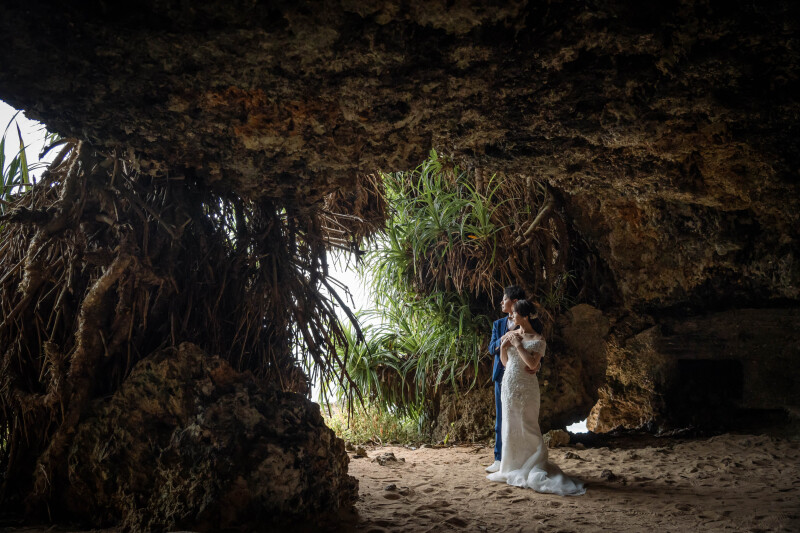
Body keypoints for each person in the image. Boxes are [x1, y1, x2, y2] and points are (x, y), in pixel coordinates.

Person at [486, 299, 585, 495]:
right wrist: (505, 348)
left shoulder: (538, 339)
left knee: (527, 425)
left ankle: (533, 462)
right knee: (510, 425)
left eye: (514, 314)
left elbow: (532, 365)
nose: (511, 317)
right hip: (508, 385)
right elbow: (505, 363)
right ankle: (511, 465)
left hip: (527, 387)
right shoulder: (511, 334)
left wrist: (518, 345)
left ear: (523, 316)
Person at [485, 285, 526, 473]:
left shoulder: (528, 321)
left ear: (515, 302)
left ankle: (520, 458)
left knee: (521, 417)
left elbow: (536, 344)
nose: (501, 302)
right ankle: (499, 459)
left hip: (521, 374)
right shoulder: (498, 324)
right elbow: (491, 346)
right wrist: (506, 337)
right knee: (500, 418)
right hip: (501, 374)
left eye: (504, 299)